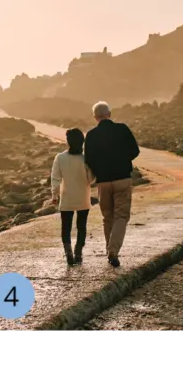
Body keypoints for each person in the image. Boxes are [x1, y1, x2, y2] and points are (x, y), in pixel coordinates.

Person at [84, 101, 140, 268]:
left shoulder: (91, 135)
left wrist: (100, 168)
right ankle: (113, 251)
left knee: (107, 217)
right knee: (121, 216)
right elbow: (135, 150)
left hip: (103, 182)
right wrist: (122, 160)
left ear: (95, 117)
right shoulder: (122, 129)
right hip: (122, 178)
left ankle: (110, 250)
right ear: (109, 114)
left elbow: (88, 160)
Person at [51, 128, 96, 266]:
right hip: (83, 197)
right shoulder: (86, 159)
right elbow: (91, 180)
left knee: (66, 227)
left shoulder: (60, 157)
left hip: (66, 198)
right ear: (82, 142)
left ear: (68, 141)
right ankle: (78, 253)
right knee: (81, 226)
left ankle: (68, 252)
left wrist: (54, 195)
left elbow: (55, 178)